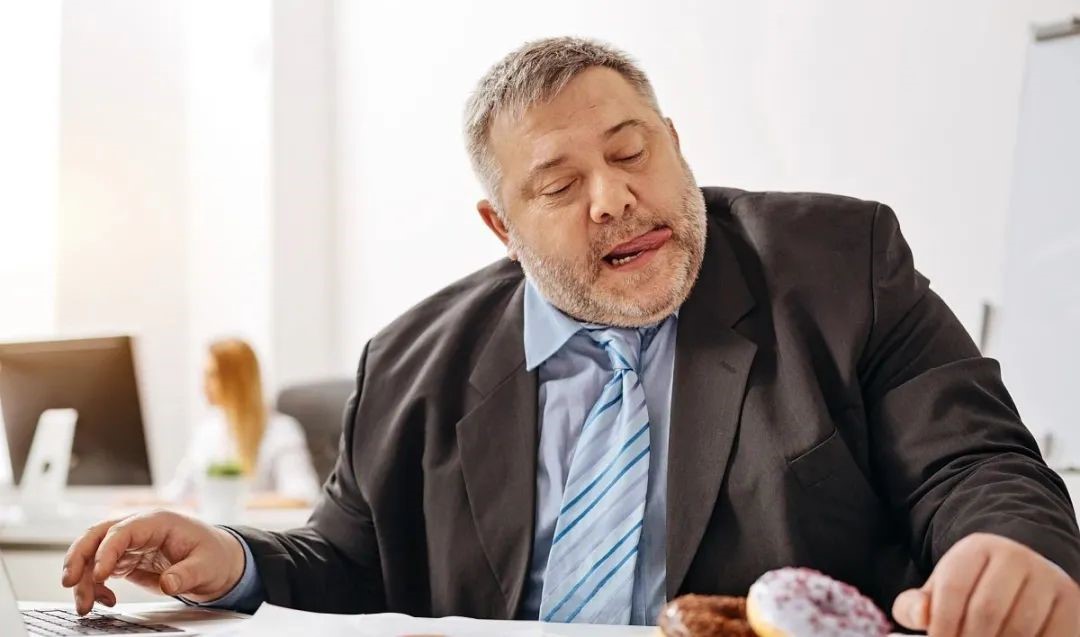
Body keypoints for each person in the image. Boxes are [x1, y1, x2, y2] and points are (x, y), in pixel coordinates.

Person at [62, 38, 1079, 636]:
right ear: (502, 228)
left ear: (674, 146)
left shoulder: (839, 266)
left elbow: (974, 465)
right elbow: (349, 567)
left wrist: (1006, 548)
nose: (615, 199)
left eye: (633, 153)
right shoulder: (408, 365)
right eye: (559, 185)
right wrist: (234, 560)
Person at [162, 338, 320, 504]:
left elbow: (302, 496)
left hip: (257, 520)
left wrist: (223, 503)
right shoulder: (207, 429)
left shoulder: (281, 431)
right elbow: (176, 493)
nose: (204, 385)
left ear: (238, 379)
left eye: (213, 375)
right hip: (212, 519)